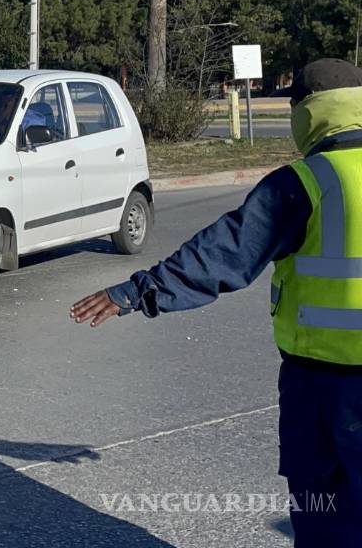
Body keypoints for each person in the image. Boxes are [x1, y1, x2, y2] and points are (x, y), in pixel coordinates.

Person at [70, 58, 362, 547]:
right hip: (325, 386)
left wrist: (134, 293)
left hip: (324, 387)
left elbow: (223, 254)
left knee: (324, 515)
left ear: (307, 114)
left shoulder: (307, 182)